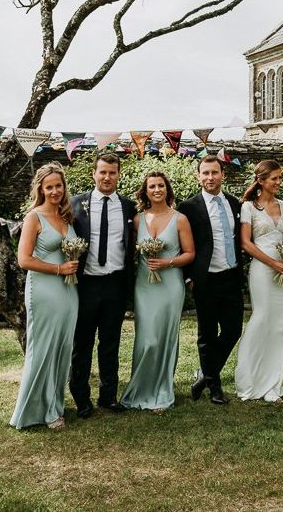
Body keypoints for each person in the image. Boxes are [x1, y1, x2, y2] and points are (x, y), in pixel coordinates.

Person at [11, 163, 79, 429]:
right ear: (40, 188)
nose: (54, 191)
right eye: (49, 187)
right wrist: (59, 268)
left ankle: (54, 404)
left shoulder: (65, 217)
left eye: (58, 186)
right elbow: (24, 259)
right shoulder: (33, 217)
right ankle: (37, 411)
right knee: (43, 348)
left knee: (62, 348)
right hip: (44, 290)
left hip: (69, 291)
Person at [120, 172, 195, 412]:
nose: (157, 190)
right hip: (145, 285)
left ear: (167, 189)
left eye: (161, 185)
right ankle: (140, 388)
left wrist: (167, 263)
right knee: (147, 339)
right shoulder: (138, 220)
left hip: (170, 284)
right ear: (145, 191)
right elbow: (130, 253)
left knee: (164, 338)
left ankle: (162, 390)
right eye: (152, 186)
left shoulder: (180, 219)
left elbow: (190, 254)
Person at [70, 153, 136, 417]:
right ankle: (81, 399)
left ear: (118, 175)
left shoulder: (129, 207)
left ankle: (108, 396)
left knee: (110, 343)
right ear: (94, 175)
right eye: (103, 172)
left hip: (115, 284)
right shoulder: (75, 204)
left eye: (112, 172)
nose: (107, 177)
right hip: (85, 284)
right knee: (82, 343)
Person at [178, 155, 244, 405]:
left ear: (222, 175)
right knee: (206, 334)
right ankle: (214, 386)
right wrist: (187, 278)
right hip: (204, 280)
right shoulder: (188, 207)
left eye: (214, 172)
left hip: (231, 276)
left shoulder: (234, 204)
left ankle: (204, 375)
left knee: (232, 330)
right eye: (205, 173)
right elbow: (180, 244)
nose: (210, 177)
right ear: (198, 176)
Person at [235, 160, 283, 402]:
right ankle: (254, 380)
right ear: (261, 181)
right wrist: (273, 264)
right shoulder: (249, 207)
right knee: (262, 320)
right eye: (275, 178)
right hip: (263, 270)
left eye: (280, 178)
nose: (279, 182)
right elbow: (246, 243)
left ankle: (275, 382)